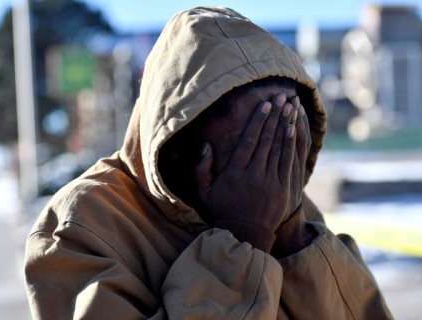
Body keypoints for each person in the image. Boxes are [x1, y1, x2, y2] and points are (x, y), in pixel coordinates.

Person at [24, 6, 393, 319]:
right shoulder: (83, 223)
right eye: (255, 144)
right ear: (178, 144)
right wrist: (243, 234)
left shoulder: (282, 202)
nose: (275, 166)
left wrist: (293, 239)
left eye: (287, 134)